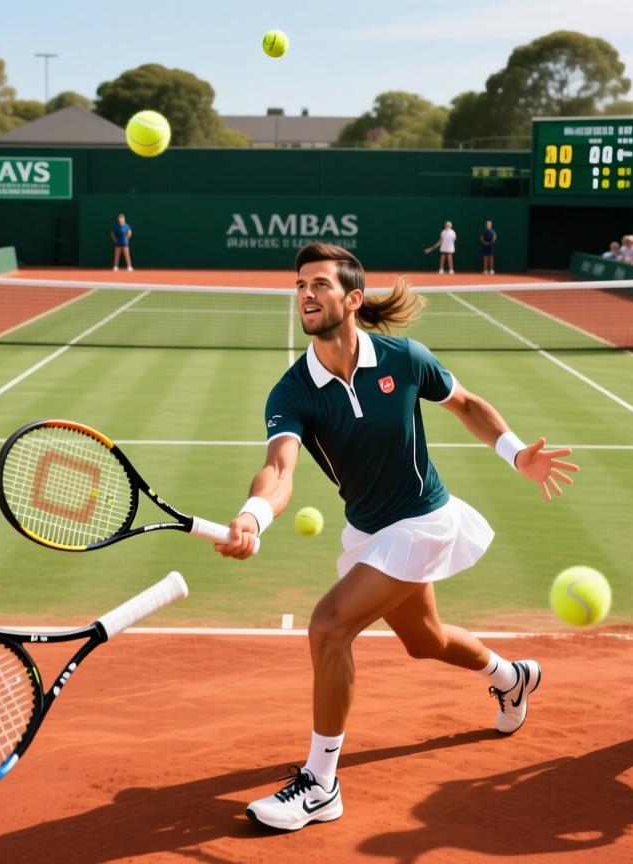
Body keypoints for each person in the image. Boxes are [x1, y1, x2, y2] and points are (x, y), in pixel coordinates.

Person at [215, 242, 578, 832]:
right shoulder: (292, 391)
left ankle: (321, 784)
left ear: (353, 299)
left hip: (424, 519)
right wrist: (253, 515)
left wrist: (517, 455)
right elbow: (280, 468)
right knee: (424, 640)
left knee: (329, 626)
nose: (306, 294)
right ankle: (511, 679)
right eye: (301, 285)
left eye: (320, 284)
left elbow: (465, 403)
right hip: (369, 529)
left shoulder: (404, 358)